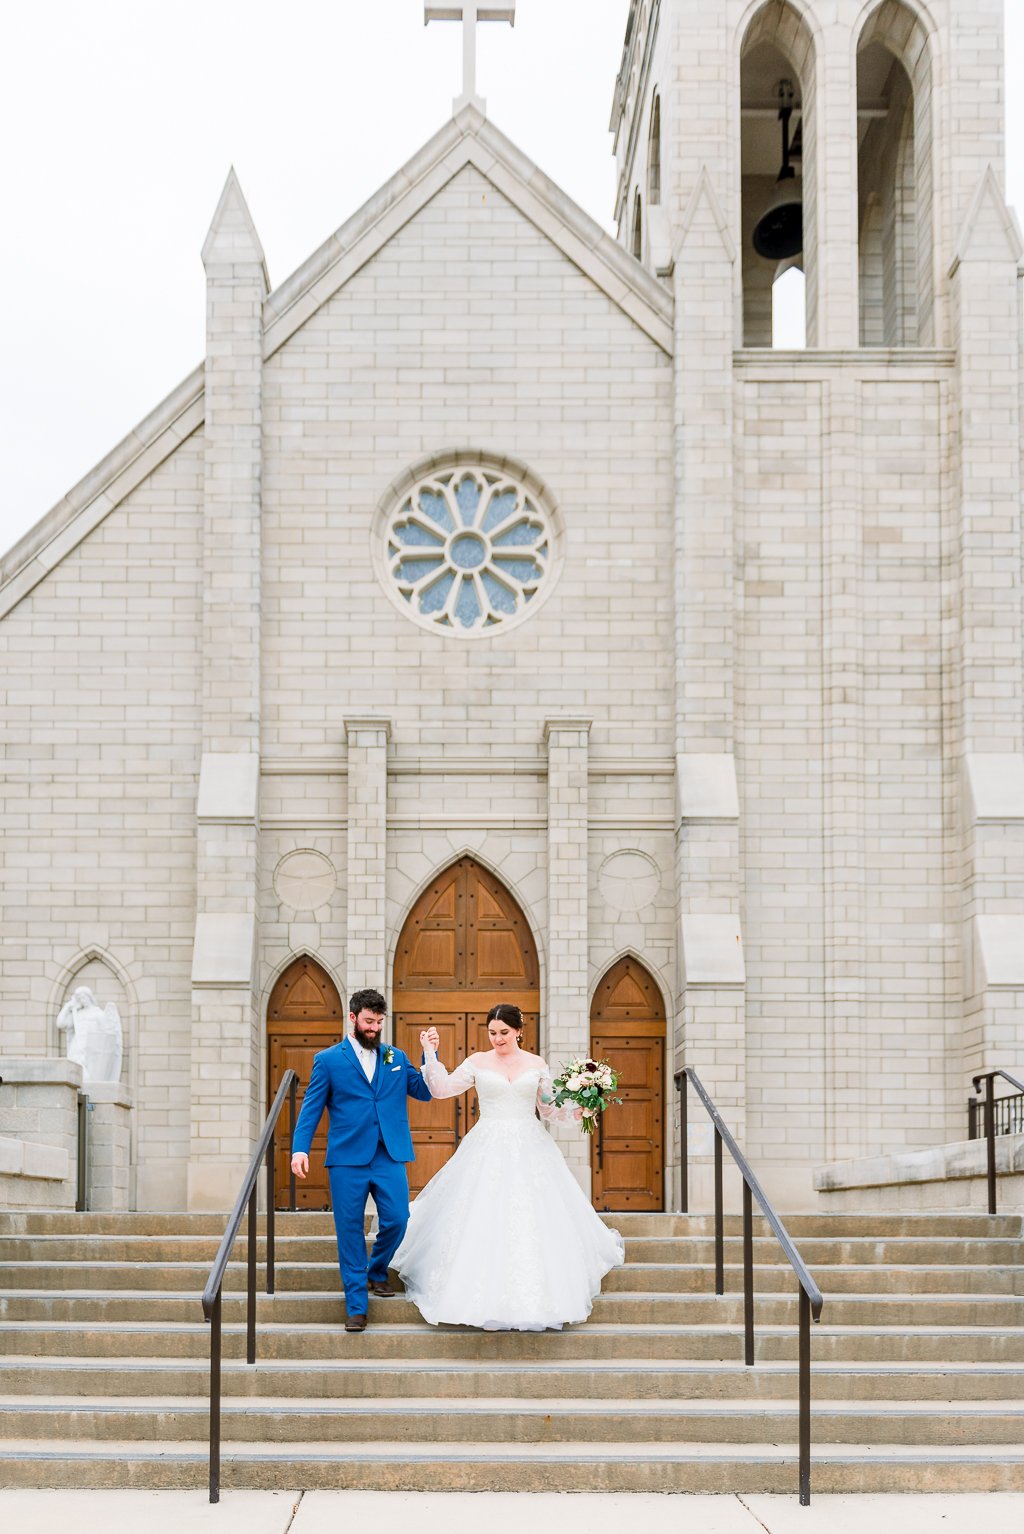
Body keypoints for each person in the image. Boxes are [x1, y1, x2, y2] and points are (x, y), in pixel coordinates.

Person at [392, 1002, 624, 1330]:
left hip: (531, 1144)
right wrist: (430, 1054)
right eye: (492, 1033)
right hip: (487, 1142)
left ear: (518, 1031)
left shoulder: (537, 1064)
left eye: (503, 1032)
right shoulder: (477, 1061)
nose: (497, 1039)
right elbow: (442, 1090)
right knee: (482, 1211)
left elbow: (546, 1109)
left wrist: (577, 1111)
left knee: (533, 1215)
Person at [290, 987, 433, 1332]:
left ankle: (377, 1270)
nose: (374, 1028)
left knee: (398, 1219)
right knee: (349, 1231)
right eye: (369, 1021)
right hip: (347, 1158)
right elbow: (311, 1107)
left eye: (379, 1022)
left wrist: (429, 1055)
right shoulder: (328, 1060)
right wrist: (300, 1148)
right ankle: (356, 1305)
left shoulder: (395, 1057)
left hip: (389, 1153)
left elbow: (424, 1091)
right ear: (353, 1018)